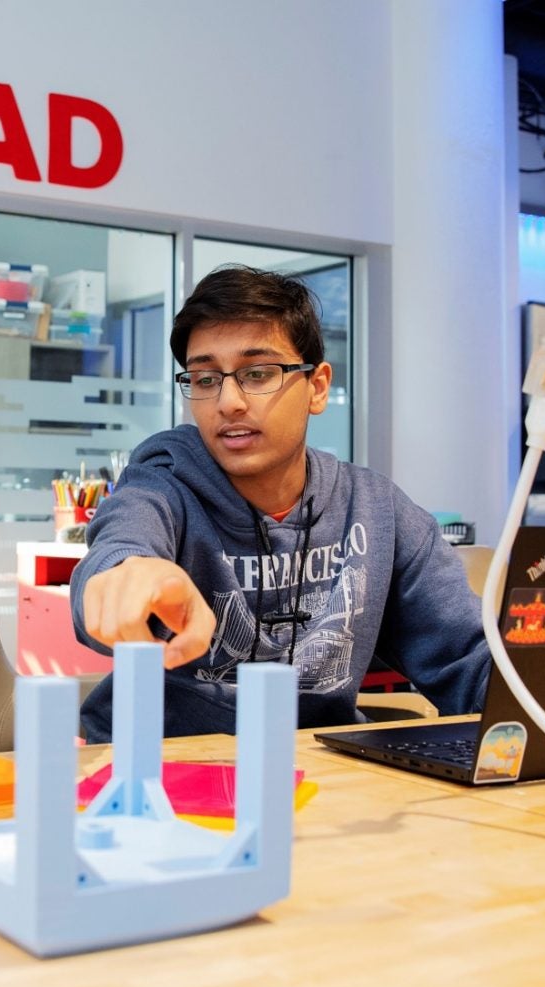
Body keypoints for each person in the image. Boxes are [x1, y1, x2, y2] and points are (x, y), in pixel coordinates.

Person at [71, 265, 490, 743]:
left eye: (257, 373)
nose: (228, 401)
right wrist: (124, 573)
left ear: (316, 386)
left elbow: (469, 661)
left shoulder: (376, 510)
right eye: (205, 379)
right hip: (160, 770)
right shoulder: (161, 486)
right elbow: (122, 543)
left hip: (322, 775)